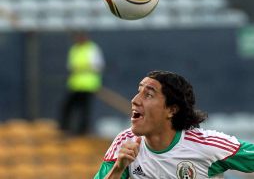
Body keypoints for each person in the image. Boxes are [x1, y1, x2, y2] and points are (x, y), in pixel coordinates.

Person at [94, 70, 254, 178]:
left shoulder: (207, 146)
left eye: (148, 94)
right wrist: (118, 168)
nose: (135, 100)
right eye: (139, 91)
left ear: (171, 110)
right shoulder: (125, 142)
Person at [59, 31, 105, 135]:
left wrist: (83, 68)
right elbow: (71, 66)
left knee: (84, 110)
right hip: (75, 85)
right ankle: (65, 128)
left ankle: (82, 131)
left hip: (88, 85)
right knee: (68, 106)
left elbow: (98, 66)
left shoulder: (92, 49)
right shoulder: (74, 49)